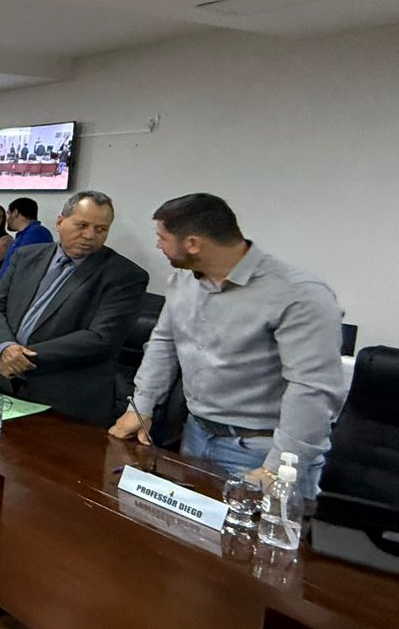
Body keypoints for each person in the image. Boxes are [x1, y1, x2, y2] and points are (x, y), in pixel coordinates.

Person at [109, 193, 344, 499]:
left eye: (162, 238)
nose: (157, 245)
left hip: (261, 451)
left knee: (253, 532)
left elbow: (313, 388)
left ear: (193, 243)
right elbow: (164, 345)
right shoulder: (183, 283)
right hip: (195, 436)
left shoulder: (298, 295)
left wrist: (278, 467)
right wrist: (142, 405)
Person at [0, 191, 149, 425]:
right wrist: (5, 347)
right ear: (60, 222)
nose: (89, 235)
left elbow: (101, 338)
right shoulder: (26, 256)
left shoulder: (125, 275)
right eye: (82, 225)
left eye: (101, 229)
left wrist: (20, 358)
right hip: (2, 381)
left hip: (64, 397)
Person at [0, 197, 53, 279]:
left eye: (8, 213)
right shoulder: (25, 234)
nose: (6, 219)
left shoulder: (36, 233)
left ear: (15, 213)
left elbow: (23, 266)